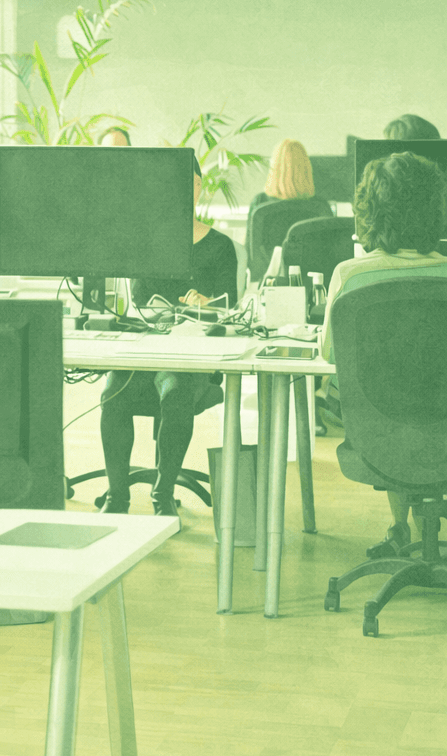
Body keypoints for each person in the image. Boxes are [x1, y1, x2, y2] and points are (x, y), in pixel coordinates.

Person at [319, 151, 447, 558]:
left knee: (382, 398)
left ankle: (399, 528)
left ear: (368, 212)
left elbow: (328, 354)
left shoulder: (351, 275)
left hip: (377, 439)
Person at [98, 154, 238, 522]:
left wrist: (208, 304)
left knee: (175, 391)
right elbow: (139, 304)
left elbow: (231, 310)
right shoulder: (144, 241)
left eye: (185, 184)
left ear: (197, 186)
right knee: (111, 391)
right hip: (146, 350)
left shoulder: (220, 246)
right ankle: (117, 493)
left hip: (190, 356)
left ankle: (164, 492)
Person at [244, 139, 331, 281]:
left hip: (268, 286)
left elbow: (250, 253)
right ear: (306, 168)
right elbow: (328, 255)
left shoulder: (260, 202)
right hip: (309, 287)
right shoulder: (320, 207)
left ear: (274, 168)